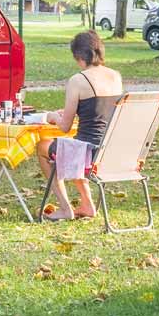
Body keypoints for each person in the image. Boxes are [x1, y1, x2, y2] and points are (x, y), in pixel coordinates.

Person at [37, 30, 122, 221]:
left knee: (43, 146)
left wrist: (53, 116)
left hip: (88, 153)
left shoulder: (78, 80)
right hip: (110, 151)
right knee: (74, 145)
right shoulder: (115, 76)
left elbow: (65, 127)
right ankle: (87, 204)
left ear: (79, 56)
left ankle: (66, 208)